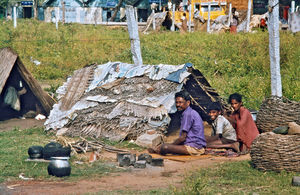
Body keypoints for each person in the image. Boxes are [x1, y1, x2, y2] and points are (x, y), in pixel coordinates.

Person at [148, 90, 206, 156]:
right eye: (177, 102)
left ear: (188, 103)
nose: (178, 105)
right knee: (168, 145)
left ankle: (158, 149)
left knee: (165, 147)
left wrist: (170, 146)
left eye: (180, 102)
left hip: (194, 148)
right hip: (194, 145)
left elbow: (183, 138)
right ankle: (159, 149)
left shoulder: (188, 114)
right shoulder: (189, 112)